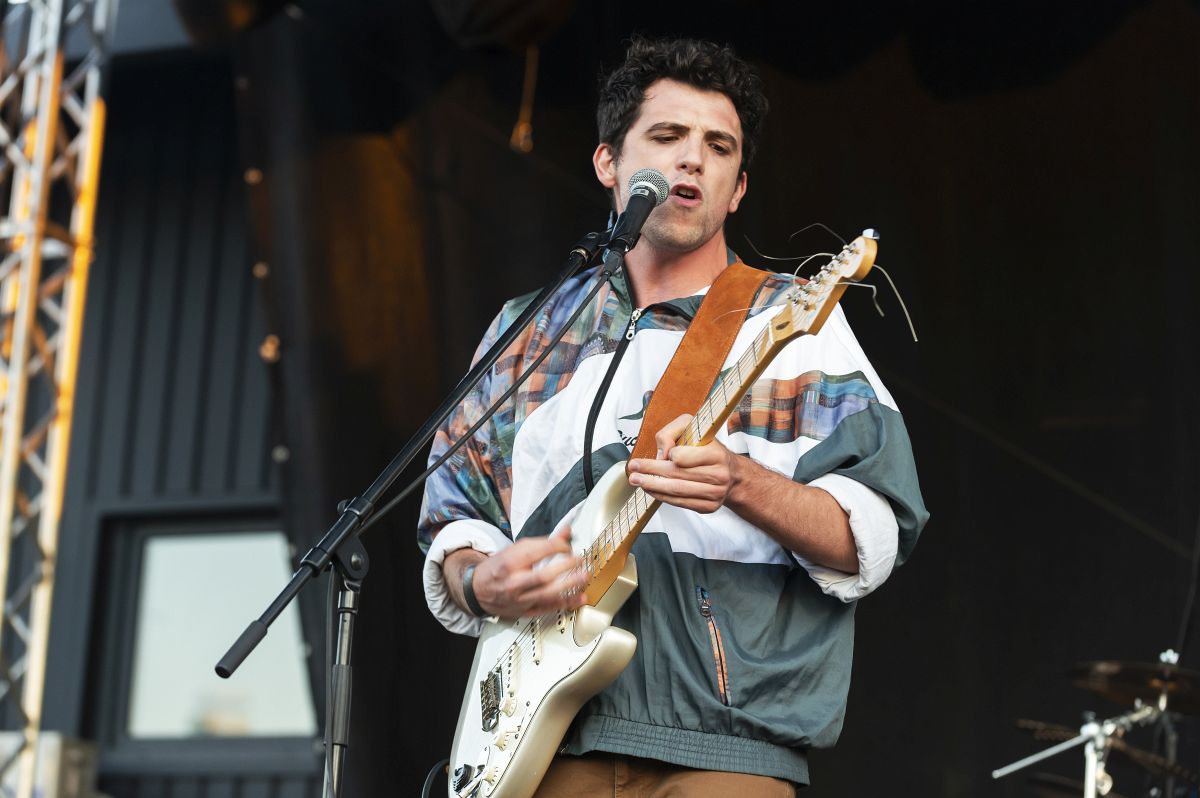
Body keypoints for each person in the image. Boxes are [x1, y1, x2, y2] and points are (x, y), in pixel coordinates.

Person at [418, 36, 927, 796]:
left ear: (737, 188)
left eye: (718, 147)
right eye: (667, 136)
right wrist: (480, 583)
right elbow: (456, 519)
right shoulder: (528, 332)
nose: (692, 159)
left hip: (728, 746)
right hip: (542, 740)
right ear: (608, 163)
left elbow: (873, 536)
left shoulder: (790, 322)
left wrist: (741, 483)